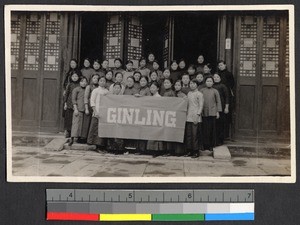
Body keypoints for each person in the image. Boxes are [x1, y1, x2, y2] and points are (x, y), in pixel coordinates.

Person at [200, 76, 222, 151]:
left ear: (213, 83)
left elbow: (218, 101)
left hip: (213, 112)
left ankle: (211, 145)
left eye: (210, 81)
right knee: (204, 129)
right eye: (207, 81)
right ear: (205, 82)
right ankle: (204, 145)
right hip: (204, 112)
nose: (209, 83)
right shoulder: (202, 90)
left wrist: (218, 112)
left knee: (212, 129)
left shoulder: (215, 91)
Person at [87, 76, 109, 150]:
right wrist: (95, 111)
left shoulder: (107, 91)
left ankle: (101, 145)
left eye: (104, 81)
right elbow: (92, 101)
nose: (102, 82)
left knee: (102, 129)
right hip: (97, 111)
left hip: (104, 113)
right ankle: (96, 145)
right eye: (101, 81)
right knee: (96, 128)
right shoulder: (95, 90)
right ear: (98, 82)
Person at [185, 79, 204, 158]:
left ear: (197, 85)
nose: (192, 85)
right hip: (188, 115)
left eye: (193, 84)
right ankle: (189, 150)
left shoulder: (199, 94)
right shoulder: (189, 93)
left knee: (194, 134)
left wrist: (198, 114)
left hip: (196, 116)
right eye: (191, 83)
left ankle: (196, 151)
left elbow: (201, 105)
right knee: (189, 134)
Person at [217, 60, 235, 139]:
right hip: (219, 95)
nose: (220, 67)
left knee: (226, 115)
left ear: (225, 65)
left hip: (226, 95)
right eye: (219, 65)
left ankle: (226, 135)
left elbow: (232, 84)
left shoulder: (229, 74)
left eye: (221, 65)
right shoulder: (217, 74)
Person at [69, 77, 88, 146]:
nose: (84, 83)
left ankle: (79, 138)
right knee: (75, 124)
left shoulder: (87, 90)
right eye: (82, 81)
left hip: (84, 109)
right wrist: (75, 109)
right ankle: (72, 138)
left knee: (82, 126)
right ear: (79, 82)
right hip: (78, 109)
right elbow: (73, 100)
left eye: (85, 82)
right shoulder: (76, 89)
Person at [106, 82, 125, 154]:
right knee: (111, 132)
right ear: (113, 88)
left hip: (120, 116)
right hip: (112, 116)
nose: (117, 89)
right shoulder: (109, 97)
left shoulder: (123, 97)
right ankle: (111, 148)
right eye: (115, 88)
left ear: (120, 89)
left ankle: (119, 149)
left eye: (118, 88)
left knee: (119, 133)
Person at [147, 81, 164, 157]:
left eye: (154, 87)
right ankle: (152, 149)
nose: (152, 89)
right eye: (151, 87)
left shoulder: (159, 97)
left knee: (156, 134)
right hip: (151, 116)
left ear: (157, 88)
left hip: (157, 117)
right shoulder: (151, 97)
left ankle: (157, 150)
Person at [134, 76, 151, 153]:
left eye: (144, 81)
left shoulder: (148, 89)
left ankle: (143, 149)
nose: (142, 82)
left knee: (144, 130)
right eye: (141, 81)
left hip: (146, 112)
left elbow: (149, 100)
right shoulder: (139, 89)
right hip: (140, 112)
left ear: (147, 82)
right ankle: (139, 148)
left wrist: (140, 97)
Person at [213, 73, 230, 146]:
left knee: (221, 124)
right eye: (214, 77)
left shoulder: (223, 86)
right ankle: (215, 140)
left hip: (222, 107)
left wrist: (226, 107)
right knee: (215, 124)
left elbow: (227, 97)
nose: (216, 78)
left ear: (220, 78)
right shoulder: (212, 86)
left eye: (217, 77)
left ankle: (220, 140)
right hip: (214, 107)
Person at [82, 74, 100, 142]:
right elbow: (86, 98)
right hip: (89, 107)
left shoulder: (99, 88)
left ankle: (92, 138)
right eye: (94, 78)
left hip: (96, 107)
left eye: (97, 78)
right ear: (92, 79)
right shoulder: (89, 87)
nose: (95, 79)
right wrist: (86, 107)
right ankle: (85, 138)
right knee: (87, 123)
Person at [63, 71, 80, 138]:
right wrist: (65, 103)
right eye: (73, 76)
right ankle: (68, 132)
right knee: (68, 118)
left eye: (76, 76)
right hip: (69, 103)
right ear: (71, 77)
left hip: (76, 103)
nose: (74, 78)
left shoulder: (79, 84)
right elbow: (66, 94)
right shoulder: (69, 85)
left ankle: (74, 133)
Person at [162, 78, 176, 155]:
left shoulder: (172, 93)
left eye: (168, 83)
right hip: (165, 113)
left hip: (170, 114)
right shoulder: (164, 92)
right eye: (165, 83)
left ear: (171, 84)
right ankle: (166, 150)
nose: (166, 84)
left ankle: (170, 151)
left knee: (169, 132)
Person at [174, 79, 187, 156]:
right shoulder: (173, 94)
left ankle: (180, 151)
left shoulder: (183, 95)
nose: (177, 87)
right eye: (176, 85)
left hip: (180, 116)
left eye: (179, 85)